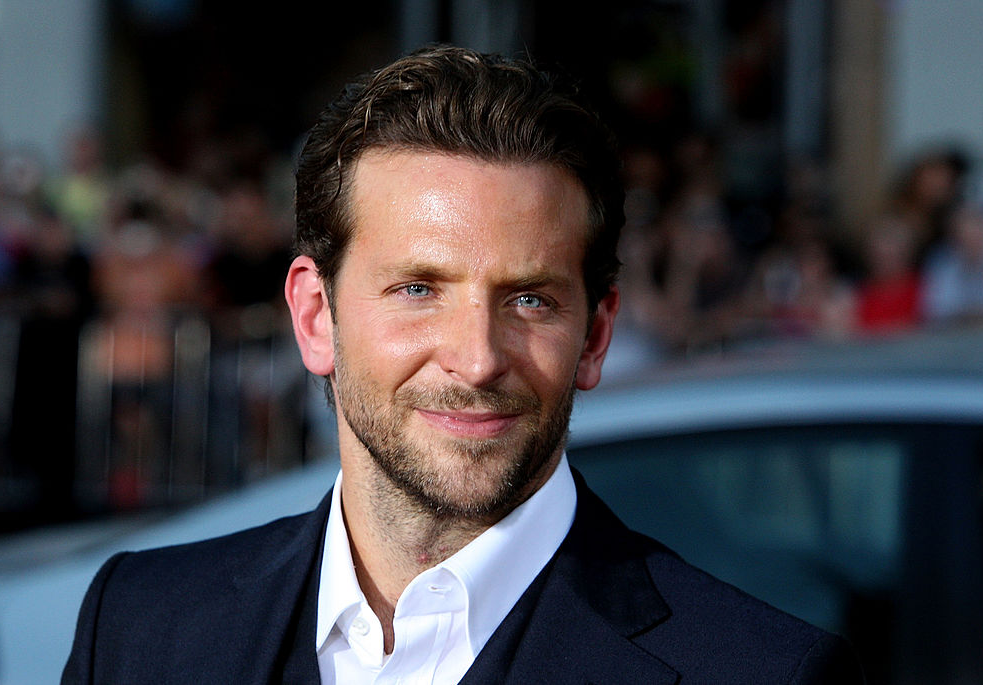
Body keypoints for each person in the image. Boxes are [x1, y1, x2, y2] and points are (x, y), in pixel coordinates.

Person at [63, 45, 864, 684]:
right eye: (419, 288)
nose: (476, 358)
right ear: (315, 317)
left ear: (594, 336)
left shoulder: (761, 670)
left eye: (530, 300)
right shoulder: (138, 626)